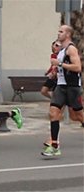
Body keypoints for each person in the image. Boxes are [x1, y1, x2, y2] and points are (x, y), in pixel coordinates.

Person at [41, 25, 83, 157]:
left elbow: (77, 67)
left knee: (77, 116)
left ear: (68, 35)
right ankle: (54, 146)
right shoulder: (61, 50)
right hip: (60, 86)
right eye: (58, 31)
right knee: (53, 113)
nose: (58, 33)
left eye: (61, 31)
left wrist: (59, 64)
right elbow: (61, 69)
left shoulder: (71, 49)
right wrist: (55, 73)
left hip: (72, 87)